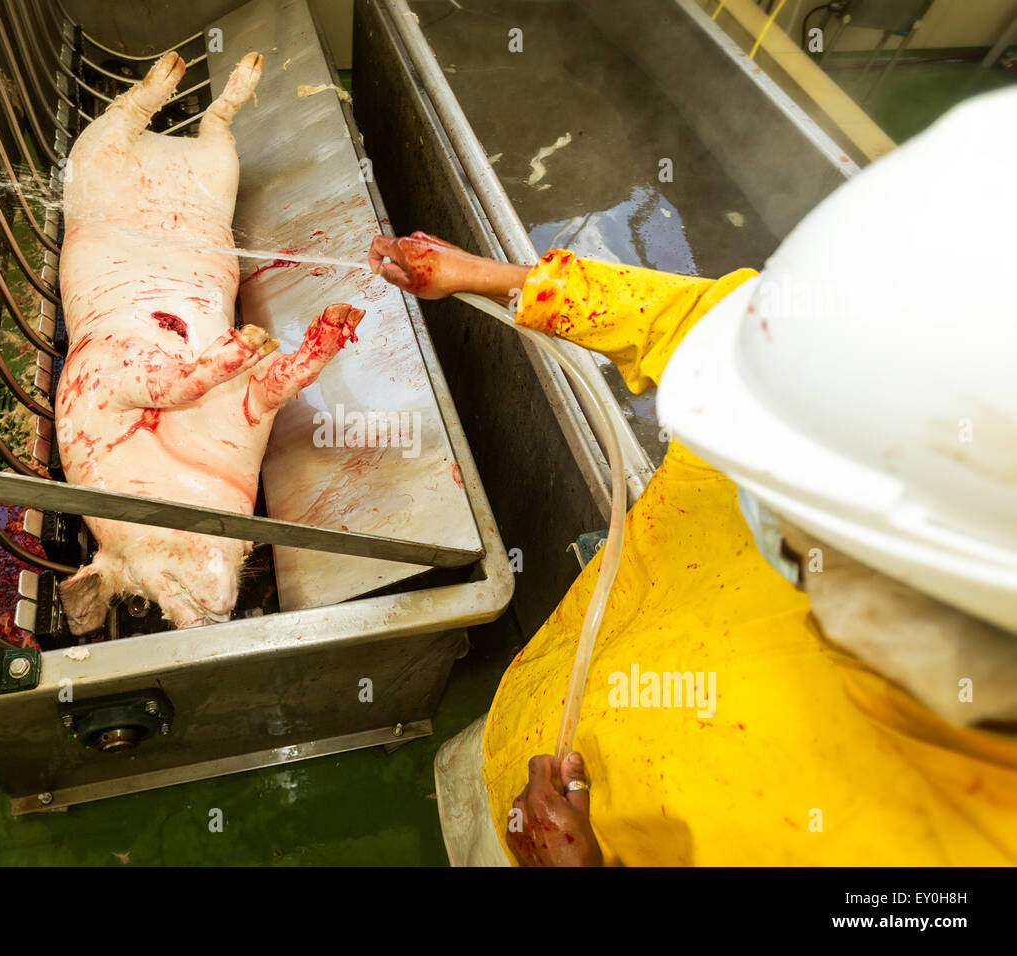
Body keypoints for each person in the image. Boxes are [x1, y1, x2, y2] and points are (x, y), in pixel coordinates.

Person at [368, 87, 1017, 866]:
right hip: (557, 710)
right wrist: (490, 277)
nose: (757, 484)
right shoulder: (851, 358)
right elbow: (689, 320)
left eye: (798, 504)